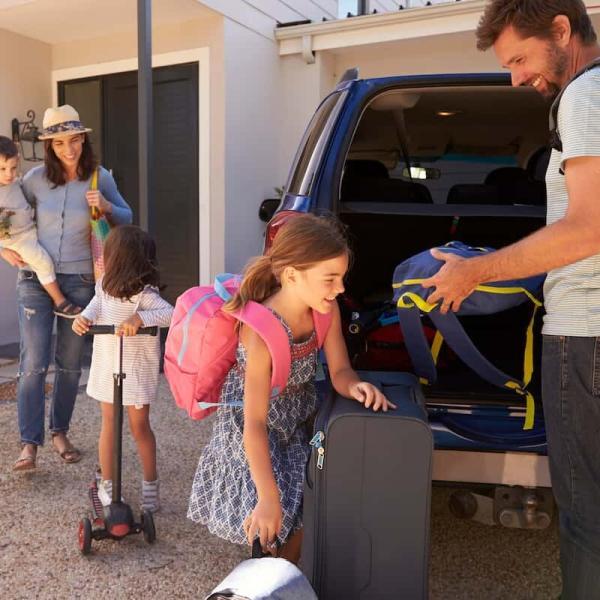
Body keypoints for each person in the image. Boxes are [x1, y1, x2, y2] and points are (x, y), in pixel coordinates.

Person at [422, 1, 600, 596]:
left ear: (561, 30)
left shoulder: (582, 96)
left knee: (585, 518)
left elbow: (587, 229)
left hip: (587, 337)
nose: (516, 78)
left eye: (519, 58)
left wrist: (476, 274)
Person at [187, 214, 396, 563]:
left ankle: (282, 569)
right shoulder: (260, 333)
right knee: (273, 508)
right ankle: (270, 569)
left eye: (342, 278)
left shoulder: (325, 311)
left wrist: (357, 386)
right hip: (253, 427)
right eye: (330, 279)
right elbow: (254, 424)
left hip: (295, 417)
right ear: (292, 275)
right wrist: (268, 499)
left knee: (309, 499)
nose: (341, 289)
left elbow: (341, 369)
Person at [2, 105, 132, 472]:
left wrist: (106, 205)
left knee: (71, 365)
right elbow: (7, 216)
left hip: (80, 282)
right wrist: (4, 248)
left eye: (74, 141)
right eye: (60, 143)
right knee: (33, 362)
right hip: (34, 279)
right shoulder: (32, 180)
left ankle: (59, 431)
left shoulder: (98, 176)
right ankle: (29, 444)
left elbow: (127, 216)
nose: (69, 150)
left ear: (83, 140)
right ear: (50, 146)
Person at [72, 225, 173, 512]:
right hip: (108, 366)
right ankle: (107, 483)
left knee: (139, 426)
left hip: (135, 369)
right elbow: (94, 306)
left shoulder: (145, 293)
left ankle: (150, 485)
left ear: (119, 258)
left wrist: (140, 318)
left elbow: (172, 313)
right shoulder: (104, 285)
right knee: (109, 424)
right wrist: (84, 319)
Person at [0, 136, 83, 318]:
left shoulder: (13, 182)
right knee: (42, 262)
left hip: (30, 230)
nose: (9, 174)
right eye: (2, 169)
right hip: (18, 239)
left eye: (13, 168)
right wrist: (3, 245)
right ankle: (60, 301)